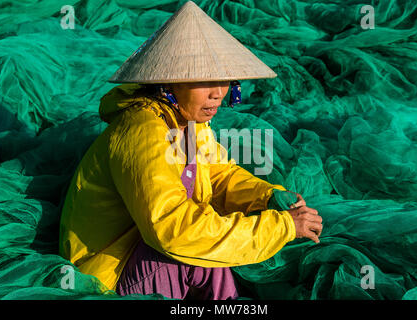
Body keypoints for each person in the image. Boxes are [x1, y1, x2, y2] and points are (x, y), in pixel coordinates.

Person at [59, 1, 322, 300]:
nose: (218, 93)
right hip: (109, 272)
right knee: (195, 249)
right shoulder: (143, 130)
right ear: (168, 82)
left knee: (211, 242)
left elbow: (219, 174)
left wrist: (267, 196)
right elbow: (172, 230)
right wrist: (281, 227)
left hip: (143, 250)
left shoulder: (187, 121)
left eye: (223, 79)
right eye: (204, 80)